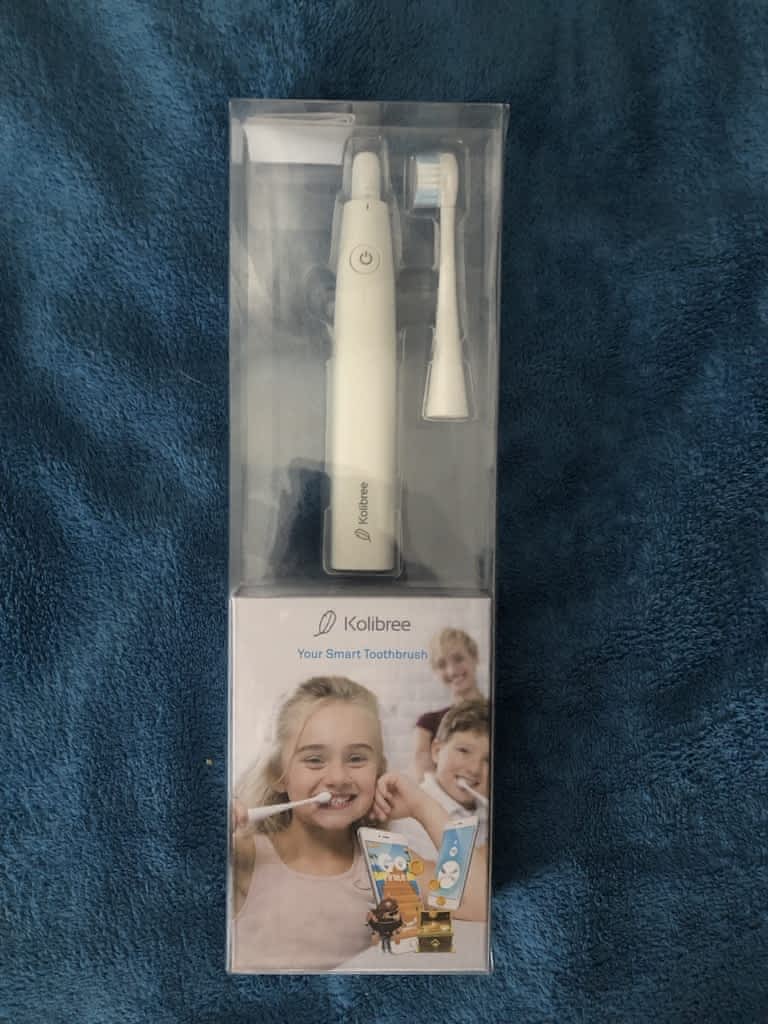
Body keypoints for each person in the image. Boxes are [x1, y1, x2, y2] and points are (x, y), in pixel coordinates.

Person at [230, 675, 488, 972]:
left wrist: (422, 806)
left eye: (356, 759)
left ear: (379, 771)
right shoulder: (245, 855)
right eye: (314, 759)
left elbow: (478, 904)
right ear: (278, 774)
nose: (338, 778)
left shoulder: (388, 865)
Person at [395, 699, 490, 859]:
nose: (474, 769)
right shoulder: (407, 815)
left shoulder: (487, 813)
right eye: (464, 751)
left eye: (488, 759)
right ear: (436, 751)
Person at [410, 628, 483, 782]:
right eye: (442, 664)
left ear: (475, 657)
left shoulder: (503, 713)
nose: (451, 671)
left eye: (458, 659)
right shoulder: (427, 724)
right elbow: (423, 782)